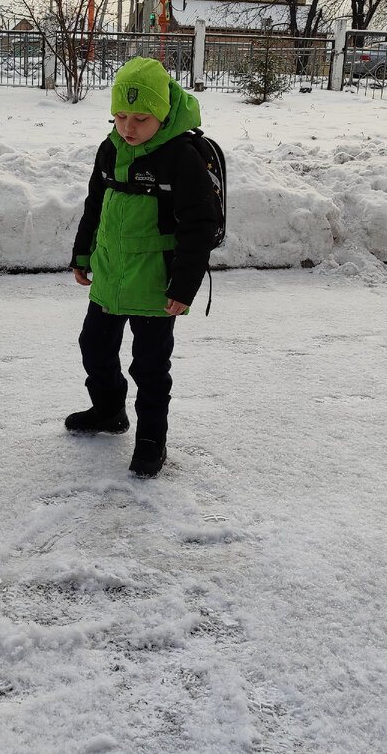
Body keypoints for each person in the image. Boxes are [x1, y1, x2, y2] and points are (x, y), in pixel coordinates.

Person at [66, 57, 220, 478]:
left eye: (140, 118)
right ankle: (108, 409)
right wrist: (82, 255)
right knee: (93, 347)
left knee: (150, 367)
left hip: (156, 285)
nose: (128, 128)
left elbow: (199, 226)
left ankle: (152, 439)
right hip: (110, 276)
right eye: (119, 116)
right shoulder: (110, 148)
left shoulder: (182, 158)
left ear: (163, 114)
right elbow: (95, 206)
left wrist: (184, 287)